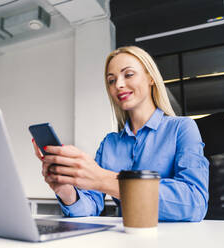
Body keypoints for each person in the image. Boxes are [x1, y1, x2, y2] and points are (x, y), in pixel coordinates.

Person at [32, 46, 209, 222]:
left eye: (129, 74)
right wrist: (67, 192)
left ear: (150, 78)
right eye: (111, 80)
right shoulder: (110, 143)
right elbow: (91, 205)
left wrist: (104, 179)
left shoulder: (182, 128)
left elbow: (195, 203)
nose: (119, 85)